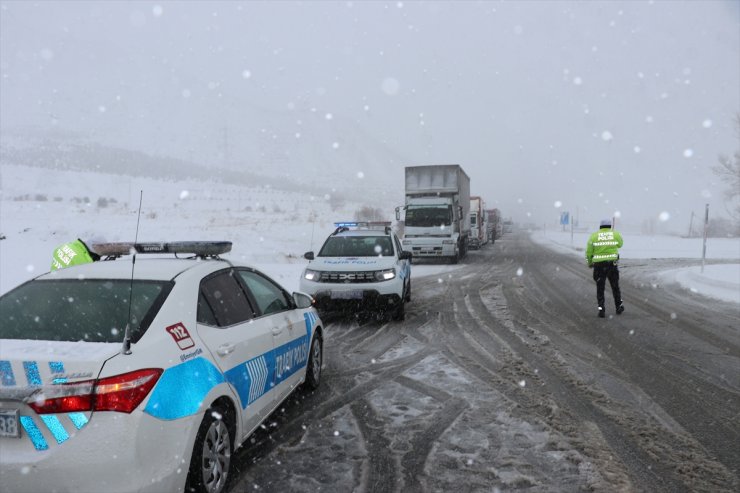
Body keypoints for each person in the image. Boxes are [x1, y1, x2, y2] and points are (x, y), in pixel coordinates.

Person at [586, 219, 624, 318]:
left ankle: (601, 309)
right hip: (612, 264)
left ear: (600, 227)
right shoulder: (614, 234)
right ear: (610, 226)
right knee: (615, 287)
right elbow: (620, 244)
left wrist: (589, 263)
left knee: (600, 288)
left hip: (599, 266)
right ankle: (619, 306)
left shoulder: (594, 236)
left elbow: (589, 252)